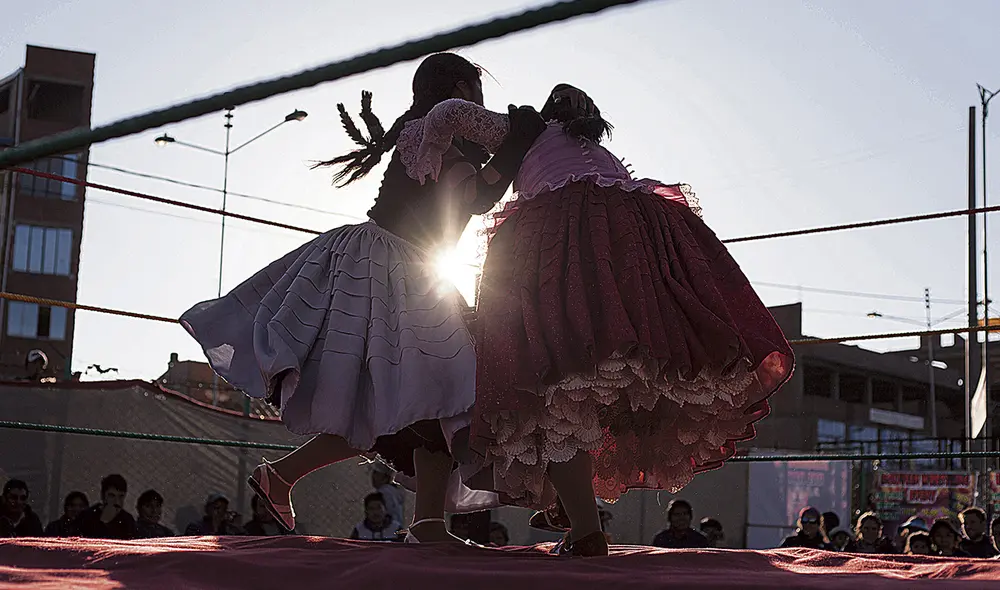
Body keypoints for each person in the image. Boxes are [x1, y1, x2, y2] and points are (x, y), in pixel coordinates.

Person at [404, 85, 794, 556]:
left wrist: (426, 154)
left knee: (554, 387)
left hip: (559, 253)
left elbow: (448, 109)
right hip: (635, 254)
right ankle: (571, 509)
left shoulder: (526, 129)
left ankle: (581, 522)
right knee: (602, 385)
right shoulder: (599, 154)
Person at [179, 52, 546, 544]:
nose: (482, 104)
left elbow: (476, 195)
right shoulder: (426, 132)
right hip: (389, 267)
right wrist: (524, 134)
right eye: (476, 92)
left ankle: (422, 521)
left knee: (428, 397)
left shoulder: (443, 142)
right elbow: (478, 198)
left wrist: (522, 139)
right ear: (459, 88)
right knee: (445, 384)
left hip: (415, 273)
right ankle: (489, 504)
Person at [77, 474, 136, 540]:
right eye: (111, 496)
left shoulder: (127, 519)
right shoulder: (87, 516)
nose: (117, 501)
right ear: (103, 496)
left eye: (121, 496)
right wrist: (103, 522)